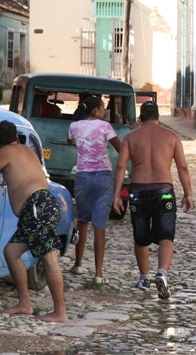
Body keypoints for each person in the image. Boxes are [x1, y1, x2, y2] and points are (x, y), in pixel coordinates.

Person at [0, 120, 67, 322]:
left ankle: (60, 313)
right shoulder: (25, 150)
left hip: (36, 207)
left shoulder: (6, 153)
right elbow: (11, 163)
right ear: (16, 137)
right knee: (11, 252)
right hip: (41, 206)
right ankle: (24, 304)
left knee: (49, 258)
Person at [112, 101, 193, 300]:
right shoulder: (171, 137)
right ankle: (162, 273)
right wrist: (188, 193)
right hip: (164, 190)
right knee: (166, 236)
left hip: (138, 191)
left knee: (141, 236)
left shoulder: (130, 138)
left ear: (140, 118)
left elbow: (121, 167)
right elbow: (182, 167)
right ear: (158, 117)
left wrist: (117, 195)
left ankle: (144, 278)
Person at [67, 96, 121, 284]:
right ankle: (98, 274)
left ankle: (78, 264)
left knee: (82, 221)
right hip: (103, 177)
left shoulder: (74, 126)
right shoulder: (105, 126)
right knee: (100, 225)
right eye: (103, 109)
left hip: (82, 176)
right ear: (97, 110)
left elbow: (69, 140)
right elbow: (120, 147)